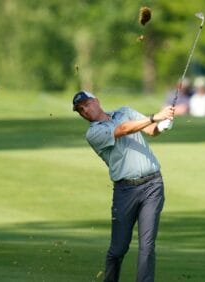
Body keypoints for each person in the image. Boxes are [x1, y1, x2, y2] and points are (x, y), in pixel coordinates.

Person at [72, 90, 174, 282]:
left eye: (86, 104)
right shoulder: (94, 133)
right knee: (118, 249)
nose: (84, 110)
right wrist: (154, 117)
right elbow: (124, 130)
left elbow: (150, 130)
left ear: (96, 101)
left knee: (147, 245)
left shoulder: (125, 111)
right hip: (125, 191)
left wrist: (162, 125)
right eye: (80, 109)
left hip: (153, 185)